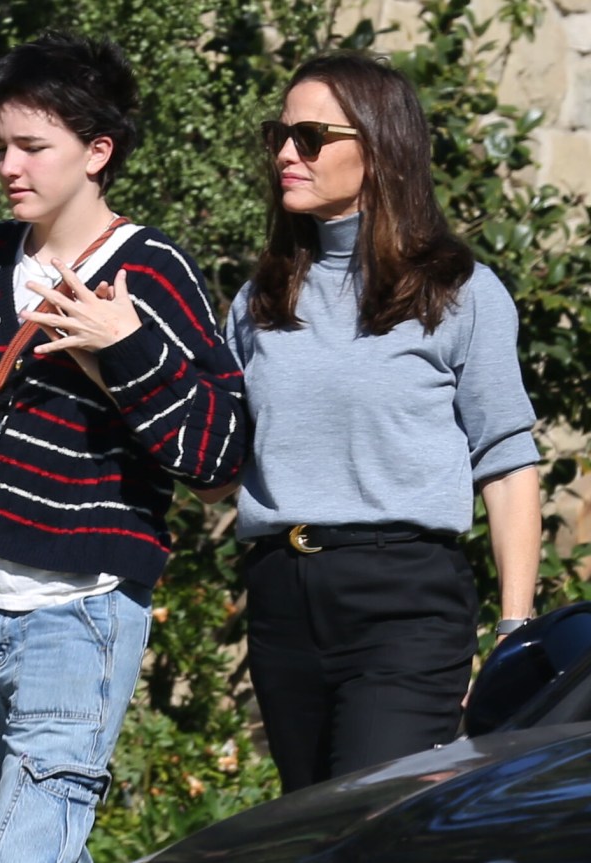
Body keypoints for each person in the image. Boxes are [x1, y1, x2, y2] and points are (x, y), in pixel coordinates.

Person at [0, 31, 248, 863]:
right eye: (1, 146)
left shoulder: (150, 272)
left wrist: (123, 345)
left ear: (97, 151)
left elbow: (220, 458)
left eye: (33, 146)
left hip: (76, 614)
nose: (10, 165)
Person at [214, 51, 541, 793]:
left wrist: (515, 628)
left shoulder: (458, 291)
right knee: (316, 823)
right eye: (278, 134)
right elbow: (216, 476)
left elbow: (506, 457)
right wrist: (118, 357)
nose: (285, 154)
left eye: (309, 136)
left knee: (374, 818)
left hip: (403, 598)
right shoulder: (259, 298)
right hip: (280, 597)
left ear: (379, 145)